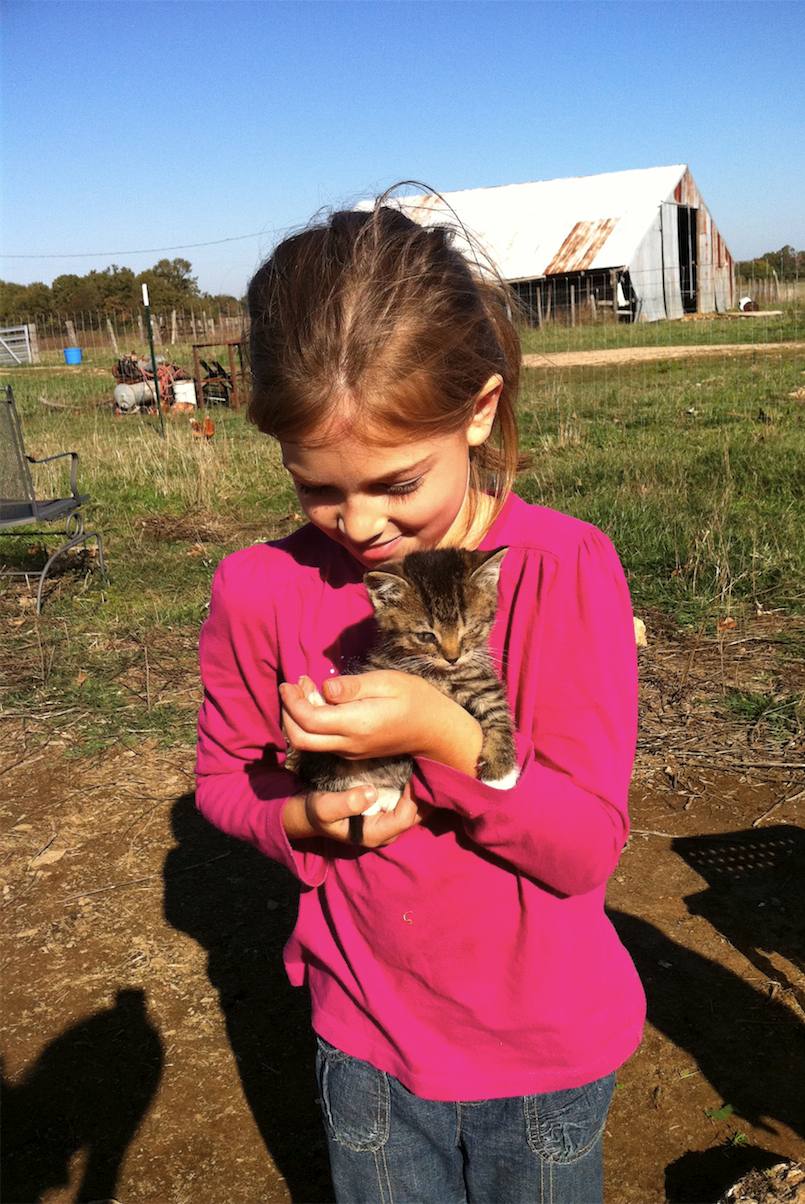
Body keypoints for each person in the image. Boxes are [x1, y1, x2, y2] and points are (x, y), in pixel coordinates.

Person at [195, 196, 645, 1204]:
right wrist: (302, 819)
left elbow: (584, 848)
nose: (358, 525)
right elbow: (225, 781)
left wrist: (447, 735)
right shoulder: (259, 590)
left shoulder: (563, 569)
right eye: (318, 487)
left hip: (545, 1055)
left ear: (478, 411)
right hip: (367, 1040)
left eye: (397, 483)